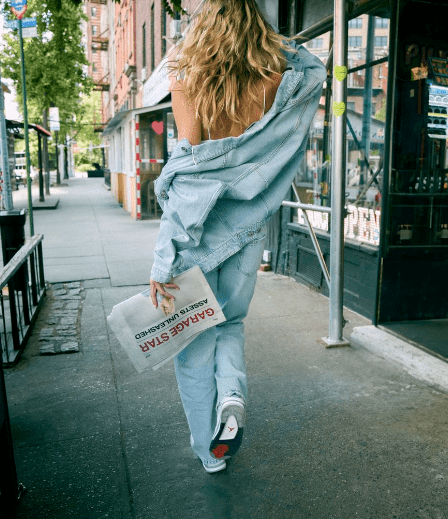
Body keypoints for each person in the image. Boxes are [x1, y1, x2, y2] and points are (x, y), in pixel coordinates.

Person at [148, 0, 326, 474]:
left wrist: (165, 261)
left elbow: (192, 175)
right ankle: (232, 396)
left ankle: (209, 452)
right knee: (229, 324)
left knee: (192, 344)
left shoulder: (186, 69)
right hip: (248, 230)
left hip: (198, 234)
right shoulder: (276, 76)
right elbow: (313, 67)